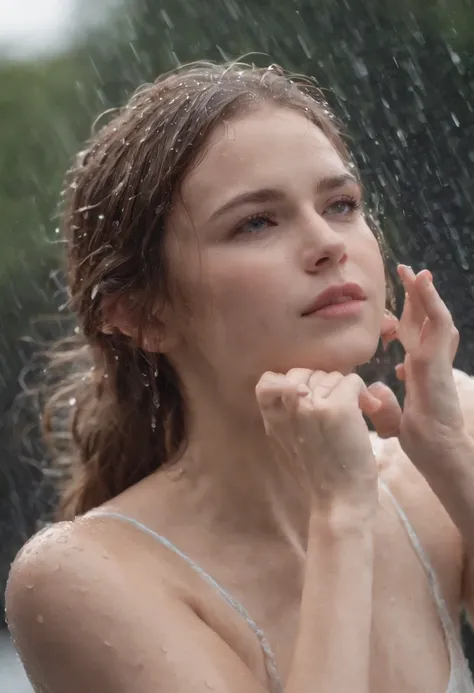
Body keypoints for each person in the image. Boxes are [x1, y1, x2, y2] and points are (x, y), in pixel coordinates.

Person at [5, 60, 474, 693]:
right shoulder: (86, 577)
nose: (327, 242)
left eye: (341, 204)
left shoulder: (443, 457)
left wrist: (451, 461)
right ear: (143, 316)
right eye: (256, 221)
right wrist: (341, 515)